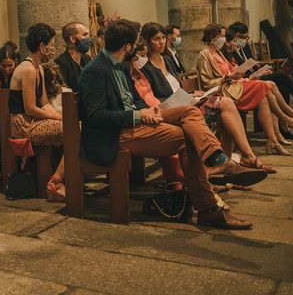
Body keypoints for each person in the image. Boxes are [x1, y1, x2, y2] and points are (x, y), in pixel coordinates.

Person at [79, 19, 258, 229]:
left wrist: (149, 109)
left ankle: (218, 160)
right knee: (187, 138)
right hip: (116, 134)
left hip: (135, 121)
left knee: (189, 111)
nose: (137, 49)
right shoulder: (95, 70)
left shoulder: (119, 66)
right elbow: (96, 116)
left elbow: (133, 98)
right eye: (135, 45)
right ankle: (209, 208)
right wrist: (138, 115)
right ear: (126, 47)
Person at [138, 23, 274, 174]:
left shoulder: (167, 60)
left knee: (226, 106)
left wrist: (192, 94)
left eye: (163, 37)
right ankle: (240, 161)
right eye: (156, 39)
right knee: (224, 104)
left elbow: (176, 87)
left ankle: (241, 159)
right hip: (175, 112)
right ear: (147, 41)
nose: (162, 42)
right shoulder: (146, 69)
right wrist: (186, 97)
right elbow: (155, 98)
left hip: (187, 104)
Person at [197, 25, 293, 155]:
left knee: (263, 99)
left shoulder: (220, 53)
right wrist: (229, 77)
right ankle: (288, 117)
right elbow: (206, 84)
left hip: (234, 85)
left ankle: (273, 141)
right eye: (222, 36)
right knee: (268, 84)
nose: (224, 39)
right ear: (213, 37)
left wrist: (237, 72)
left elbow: (229, 72)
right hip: (225, 91)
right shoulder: (205, 55)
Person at [9, 23, 66, 200]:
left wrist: (61, 118)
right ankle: (55, 181)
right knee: (74, 131)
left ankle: (60, 178)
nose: (53, 48)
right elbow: (30, 108)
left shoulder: (39, 68)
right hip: (23, 124)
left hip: (34, 120)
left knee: (72, 126)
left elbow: (44, 103)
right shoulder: (27, 69)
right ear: (42, 46)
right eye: (51, 44)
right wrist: (60, 120)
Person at [227, 22, 293, 140]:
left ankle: (281, 129)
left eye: (245, 37)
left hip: (255, 76)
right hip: (248, 80)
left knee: (282, 86)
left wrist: (262, 71)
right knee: (281, 76)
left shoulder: (245, 47)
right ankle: (288, 117)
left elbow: (252, 63)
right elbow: (237, 72)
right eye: (240, 37)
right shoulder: (230, 51)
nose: (243, 40)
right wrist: (253, 75)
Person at [55, 22, 92, 91]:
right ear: (73, 39)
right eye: (85, 35)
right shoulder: (60, 63)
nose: (88, 38)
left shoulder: (87, 58)